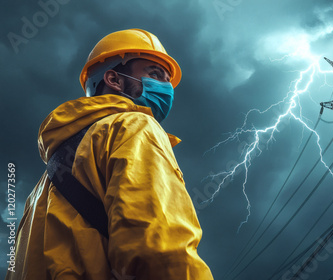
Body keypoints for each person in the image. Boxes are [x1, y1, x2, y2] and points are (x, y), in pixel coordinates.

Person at [5, 29, 213, 280]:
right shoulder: (133, 127)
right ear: (114, 79)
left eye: (168, 79)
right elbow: (159, 246)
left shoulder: (39, 191)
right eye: (155, 74)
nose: (167, 87)